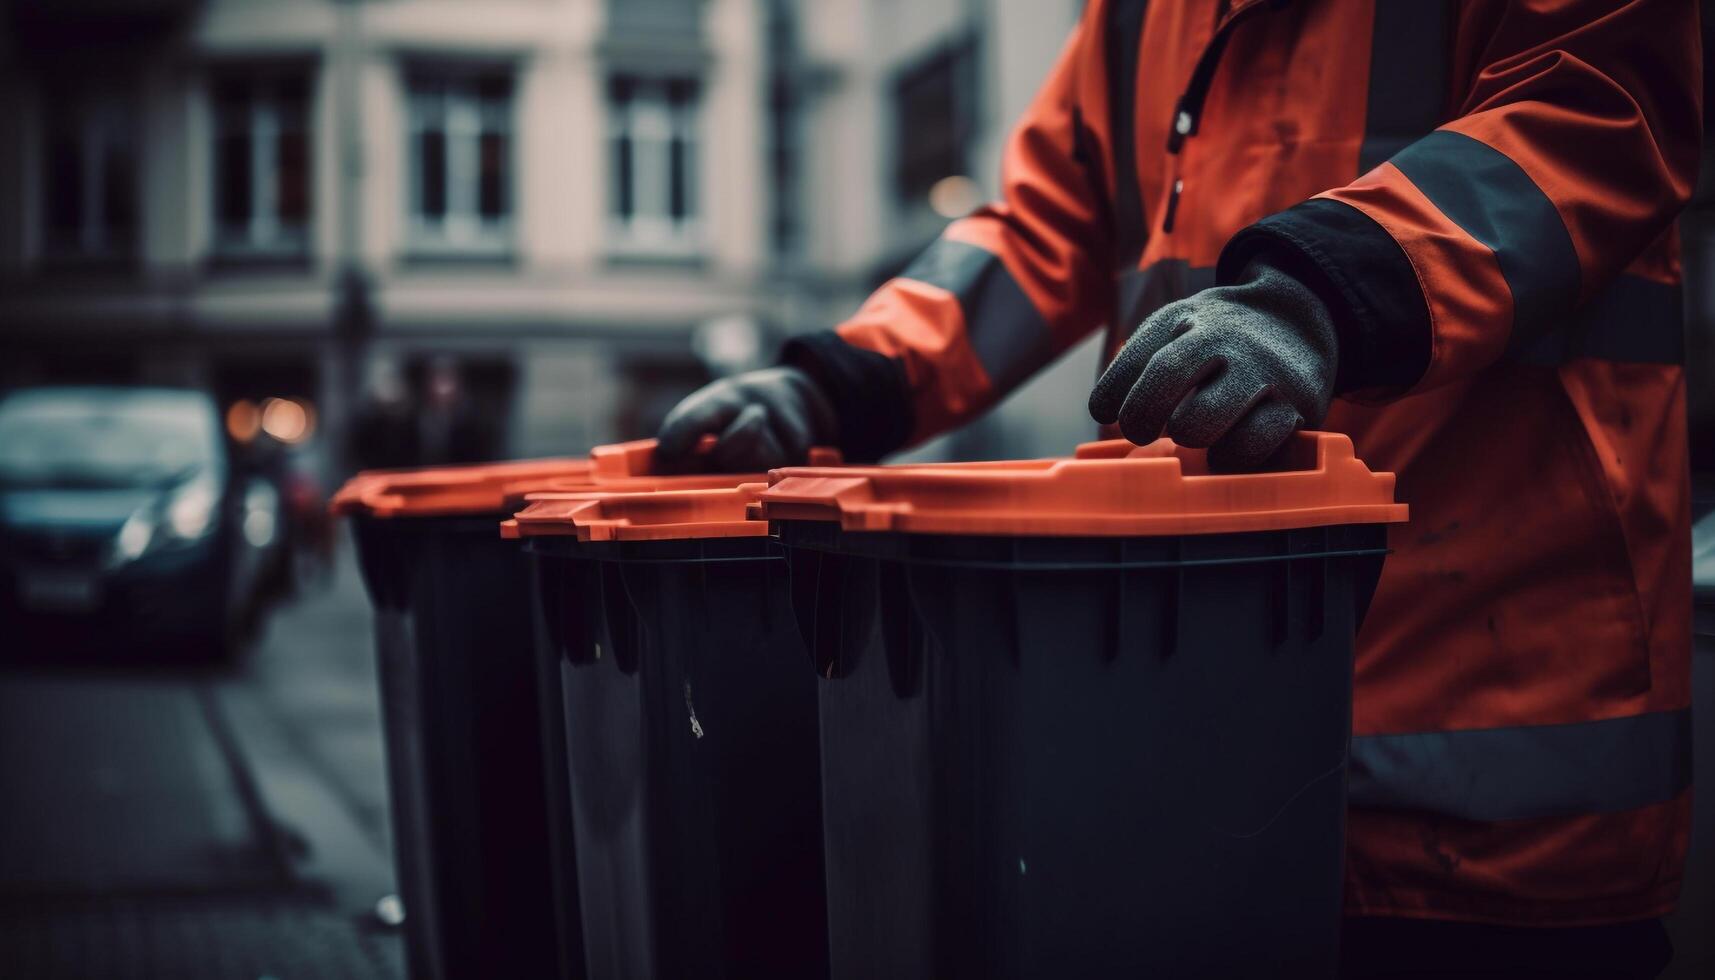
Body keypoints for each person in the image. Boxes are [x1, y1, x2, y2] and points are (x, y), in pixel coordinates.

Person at [657, 1, 1698, 974]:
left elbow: (1595, 105)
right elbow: (1041, 222)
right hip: (1200, 753)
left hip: (1494, 781)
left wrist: (1324, 292)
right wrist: (843, 381)